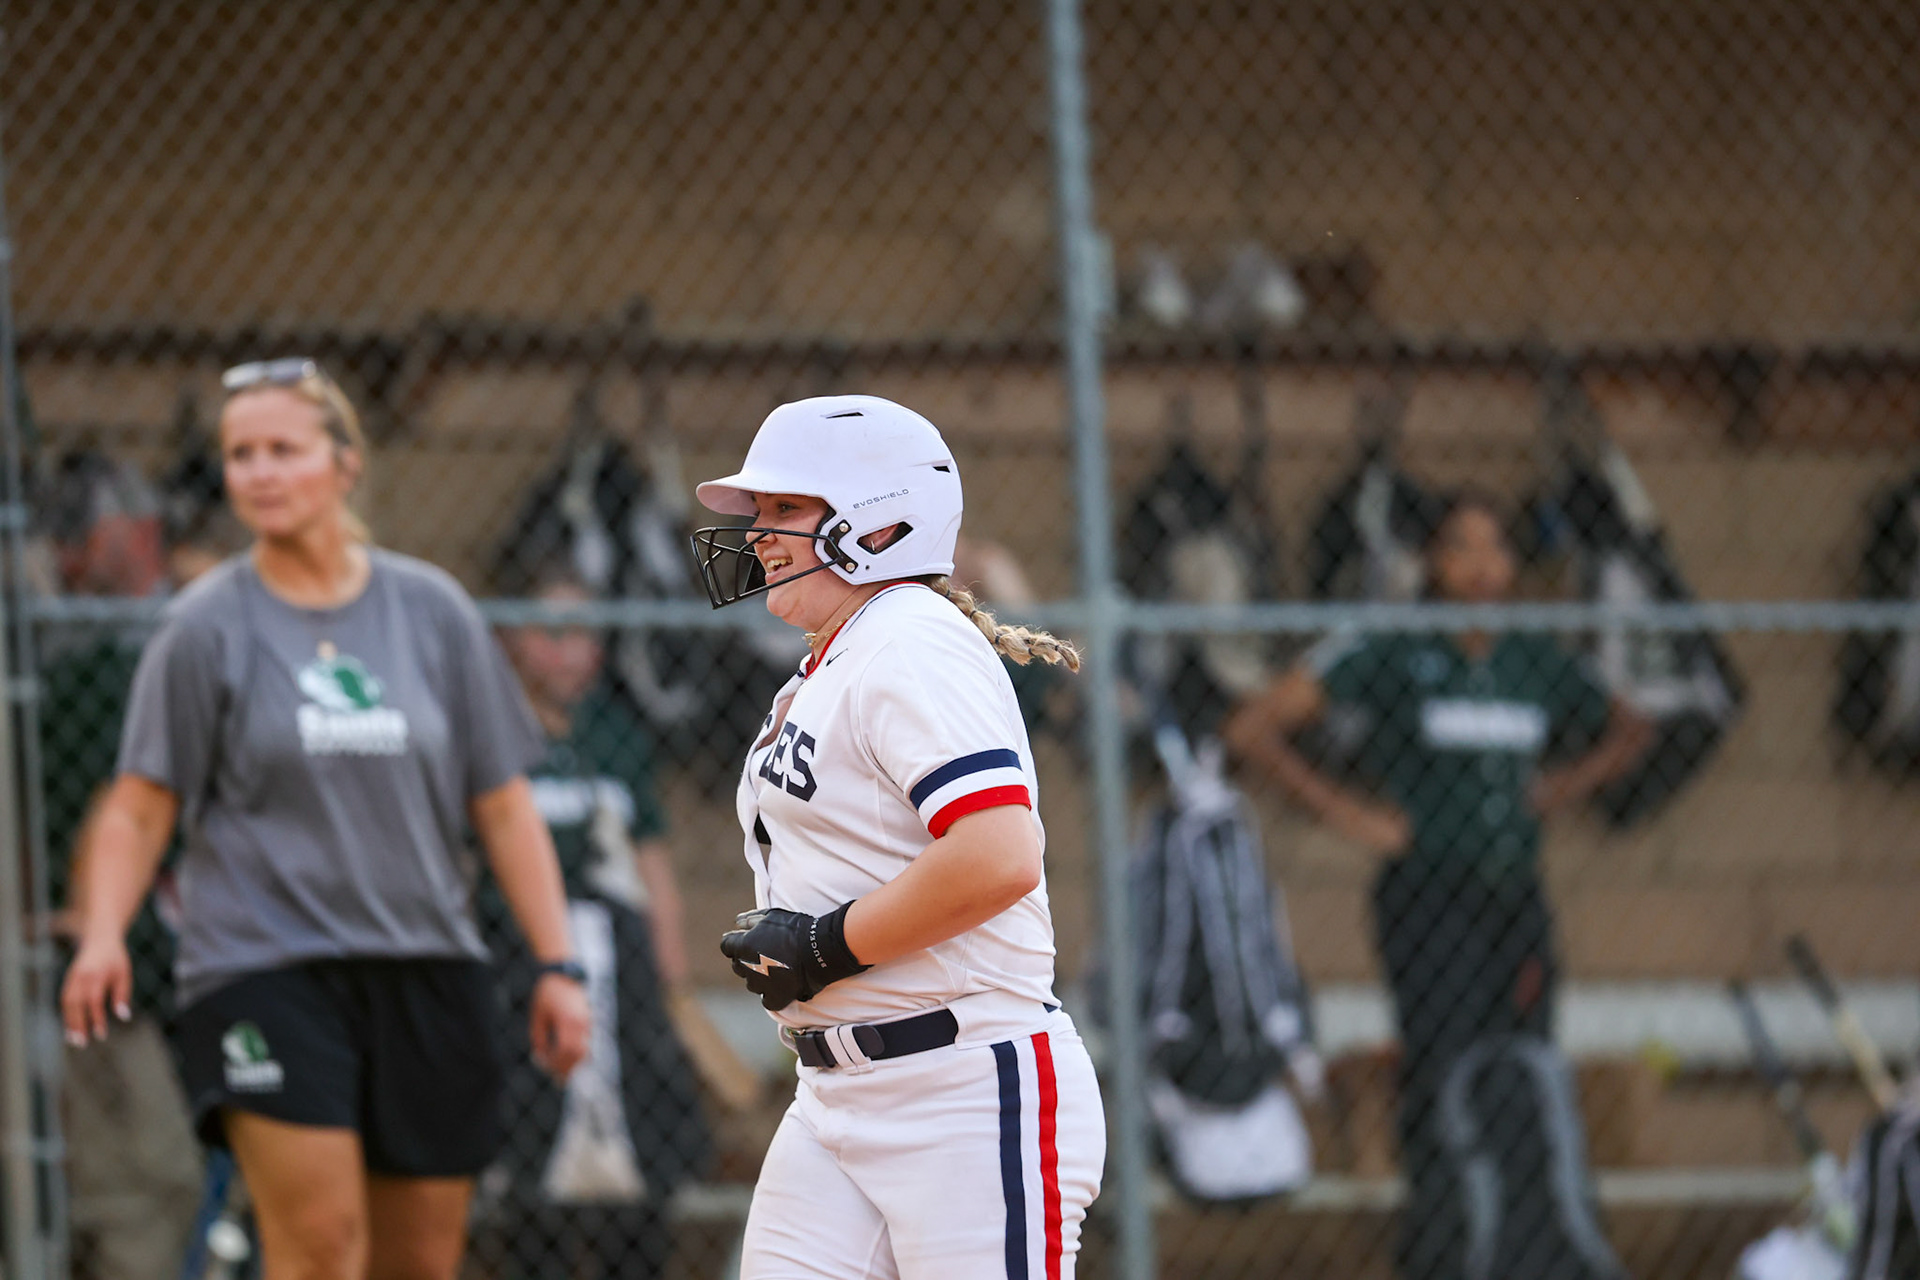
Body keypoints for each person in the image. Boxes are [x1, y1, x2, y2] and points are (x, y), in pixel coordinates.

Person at [59, 357, 592, 1280]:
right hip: (263, 968)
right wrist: (102, 932)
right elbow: (137, 811)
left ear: (345, 465)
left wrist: (558, 964)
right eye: (240, 454)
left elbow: (504, 808)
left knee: (417, 1264)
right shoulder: (203, 626)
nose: (258, 472)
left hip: (424, 965)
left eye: (282, 450)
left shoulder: (432, 611)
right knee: (319, 1246)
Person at [688, 394, 1105, 1279]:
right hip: (837, 1096)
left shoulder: (912, 641)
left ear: (877, 523)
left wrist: (823, 946)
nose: (760, 534)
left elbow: (1000, 854)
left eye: (786, 510)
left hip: (961, 1087)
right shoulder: (837, 654)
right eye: (759, 514)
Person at [1224, 489, 1653, 1280]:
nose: (1482, 567)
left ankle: (1524, 1244)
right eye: (1463, 548)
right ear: (1433, 562)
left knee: (1525, 1062)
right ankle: (1447, 1248)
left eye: (1497, 549)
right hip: (1429, 895)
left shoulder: (1536, 658)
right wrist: (1354, 817)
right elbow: (1254, 728)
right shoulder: (1395, 648)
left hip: (1514, 892)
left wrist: (1557, 790)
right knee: (1443, 1066)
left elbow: (1632, 728)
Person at [474, 561, 711, 1280]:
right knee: (531, 1182)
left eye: (587, 635)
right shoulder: (487, 733)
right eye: (554, 632)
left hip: (618, 972)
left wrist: (672, 983)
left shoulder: (614, 738)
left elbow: (653, 866)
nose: (575, 652)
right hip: (517, 969)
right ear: (513, 637)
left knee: (636, 1177)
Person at [38, 450, 202, 1279]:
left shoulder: (180, 636)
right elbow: (103, 807)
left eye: (85, 536)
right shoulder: (71, 663)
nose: (67, 559)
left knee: (169, 1180)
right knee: (141, 1184)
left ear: (137, 534)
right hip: (105, 967)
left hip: (200, 961)